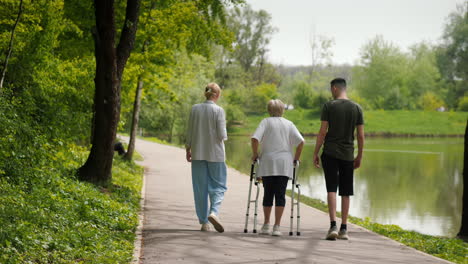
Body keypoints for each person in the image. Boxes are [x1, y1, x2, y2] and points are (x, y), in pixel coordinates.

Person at [313, 78, 365, 240]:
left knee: (331, 189)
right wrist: (359, 155)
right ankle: (344, 228)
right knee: (346, 191)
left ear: (335, 88)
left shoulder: (329, 106)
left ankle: (333, 226)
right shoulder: (357, 108)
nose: (331, 92)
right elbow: (361, 136)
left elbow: (322, 132)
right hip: (348, 155)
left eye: (331, 89)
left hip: (330, 153)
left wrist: (315, 152)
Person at [251, 99, 304, 236]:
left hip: (268, 162)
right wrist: (296, 158)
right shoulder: (289, 123)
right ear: (282, 110)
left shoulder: (265, 122)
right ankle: (277, 227)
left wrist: (255, 154)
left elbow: (255, 139)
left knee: (268, 193)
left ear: (269, 110)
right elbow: (301, 142)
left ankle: (266, 224)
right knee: (280, 194)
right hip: (284, 163)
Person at [185, 83, 228, 233]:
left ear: (206, 94)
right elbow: (222, 135)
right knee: (219, 185)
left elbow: (190, 131)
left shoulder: (195, 109)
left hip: (198, 153)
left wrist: (188, 148)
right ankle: (214, 212)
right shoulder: (219, 111)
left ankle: (204, 223)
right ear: (217, 95)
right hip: (216, 155)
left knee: (199, 188)